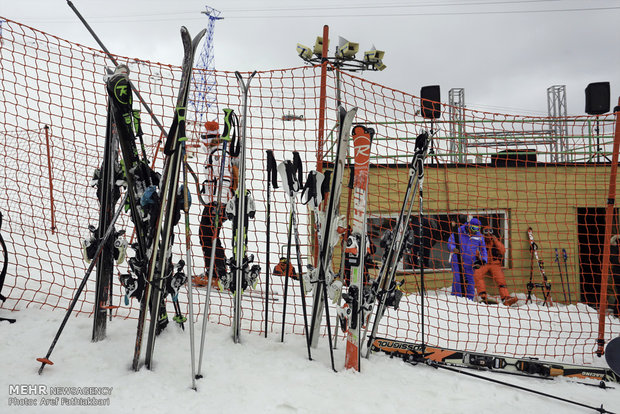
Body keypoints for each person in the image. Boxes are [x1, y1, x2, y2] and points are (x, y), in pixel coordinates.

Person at [193, 120, 238, 289]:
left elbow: (224, 178)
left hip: (218, 202)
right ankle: (217, 271)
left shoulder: (218, 153)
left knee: (207, 235)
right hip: (215, 201)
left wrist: (221, 203)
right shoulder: (216, 151)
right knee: (209, 234)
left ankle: (216, 274)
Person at [474, 227, 518, 306]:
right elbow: (475, 252)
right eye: (486, 231)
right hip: (484, 263)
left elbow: (502, 250)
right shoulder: (480, 241)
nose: (488, 234)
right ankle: (482, 296)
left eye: (489, 231)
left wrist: (495, 241)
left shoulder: (495, 241)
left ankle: (505, 298)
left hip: (495, 264)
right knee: (477, 274)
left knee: (500, 279)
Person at [448, 217, 487, 300]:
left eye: (477, 229)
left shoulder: (479, 236)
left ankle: (469, 300)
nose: (474, 231)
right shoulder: (459, 231)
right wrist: (453, 248)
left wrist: (483, 260)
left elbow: (483, 249)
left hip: (470, 261)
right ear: (469, 226)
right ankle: (456, 298)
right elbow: (450, 241)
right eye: (473, 228)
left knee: (470, 281)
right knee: (458, 279)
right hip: (457, 259)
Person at [609, 234, 620, 317]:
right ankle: (616, 312)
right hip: (617, 273)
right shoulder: (614, 247)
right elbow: (613, 259)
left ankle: (616, 312)